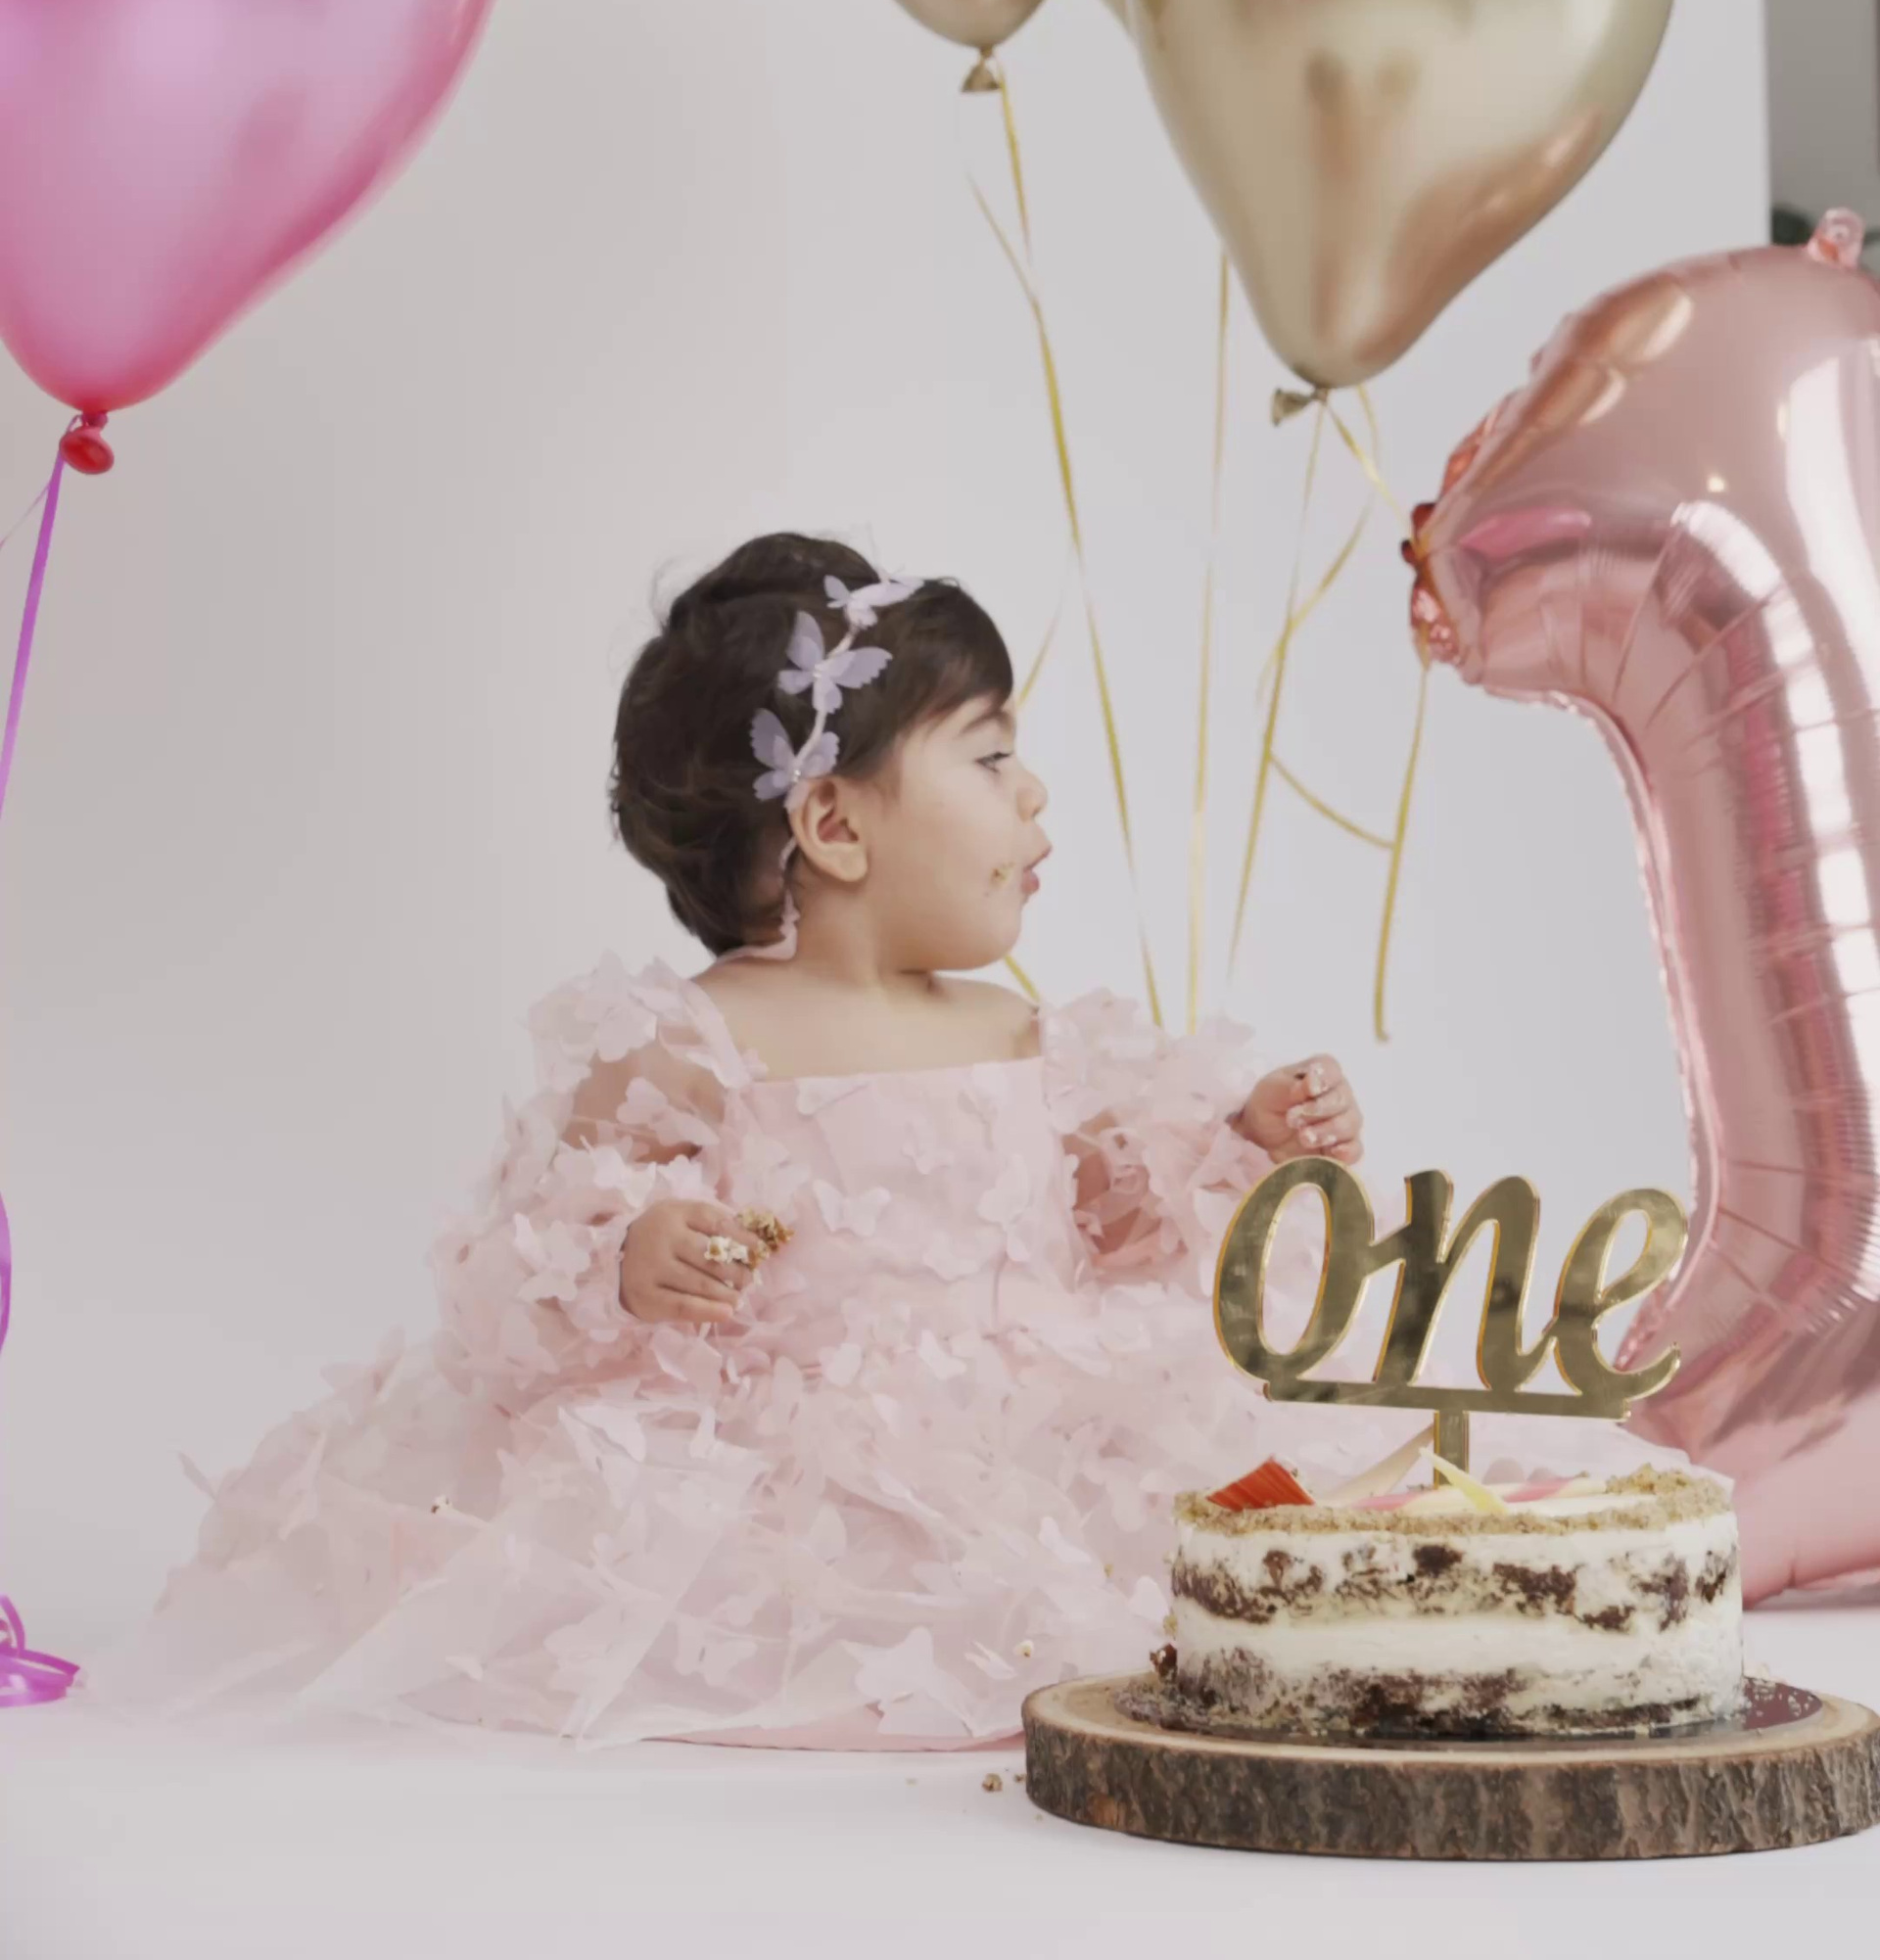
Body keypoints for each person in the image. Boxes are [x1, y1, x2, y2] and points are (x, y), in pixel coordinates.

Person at [114, 534, 1366, 1749]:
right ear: (833, 824)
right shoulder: (693, 1042)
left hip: (1034, 1454)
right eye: (990, 756)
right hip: (806, 1478)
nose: (1032, 790)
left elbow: (1107, 1225)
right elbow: (524, 1257)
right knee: (848, 1590)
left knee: (1251, 1559)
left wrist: (1241, 1141)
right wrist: (630, 1253)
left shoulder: (1013, 1030)